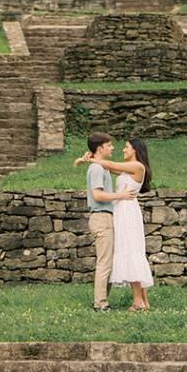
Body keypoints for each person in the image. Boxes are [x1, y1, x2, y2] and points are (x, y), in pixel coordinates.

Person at [75, 135, 154, 310]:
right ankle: (143, 300)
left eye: (126, 147)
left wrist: (93, 158)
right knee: (133, 251)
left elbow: (109, 165)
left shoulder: (136, 165)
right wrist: (87, 158)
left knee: (131, 252)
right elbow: (106, 167)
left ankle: (138, 302)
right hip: (122, 210)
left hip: (127, 211)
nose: (122, 150)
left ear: (136, 150)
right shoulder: (127, 169)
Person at [82, 132, 116, 313]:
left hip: (106, 216)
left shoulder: (100, 166)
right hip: (101, 217)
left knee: (108, 262)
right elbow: (97, 195)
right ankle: (100, 303)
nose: (112, 148)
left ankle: (103, 300)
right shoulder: (96, 170)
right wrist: (120, 196)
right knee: (104, 262)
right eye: (109, 145)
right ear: (99, 148)